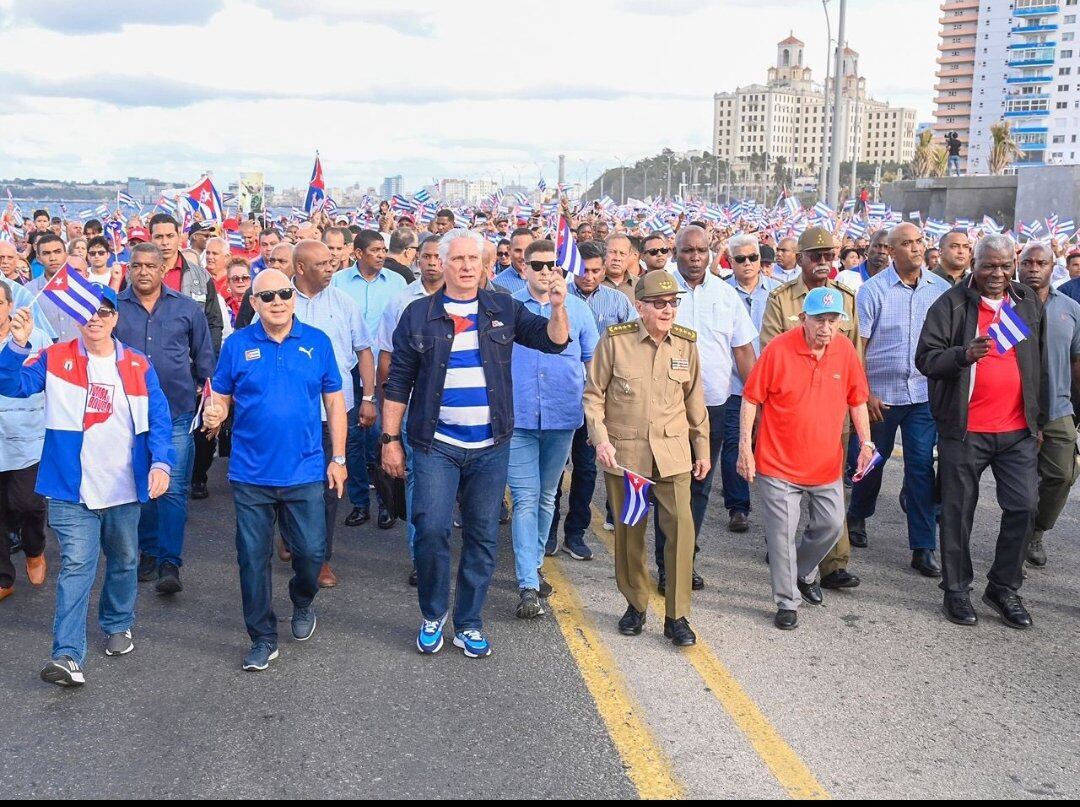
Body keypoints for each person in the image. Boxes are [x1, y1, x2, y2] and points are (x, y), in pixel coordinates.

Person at [382, 228, 570, 658]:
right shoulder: (417, 315)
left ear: (485, 265)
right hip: (435, 443)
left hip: (491, 445)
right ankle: (433, 614)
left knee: (484, 535)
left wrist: (558, 307)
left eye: (474, 259)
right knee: (429, 529)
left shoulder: (503, 306)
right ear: (442, 263)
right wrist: (390, 439)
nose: (467, 266)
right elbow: (398, 383)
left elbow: (553, 341)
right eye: (458, 259)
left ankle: (468, 622)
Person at [0, 290, 173, 687]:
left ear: (115, 319)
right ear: (76, 318)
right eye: (87, 312)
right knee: (77, 566)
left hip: (125, 487)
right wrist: (17, 343)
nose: (95, 318)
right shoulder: (55, 357)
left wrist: (161, 462)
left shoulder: (137, 363)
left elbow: (160, 417)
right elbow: (11, 384)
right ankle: (66, 655)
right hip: (70, 488)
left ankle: (117, 620)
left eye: (104, 311)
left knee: (126, 559)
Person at [203, 268, 347, 672]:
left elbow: (334, 403)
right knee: (251, 557)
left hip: (304, 470)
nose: (278, 301)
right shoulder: (237, 344)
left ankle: (302, 601)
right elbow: (222, 395)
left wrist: (339, 458)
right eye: (267, 297)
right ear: (254, 304)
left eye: (284, 293)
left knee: (312, 552)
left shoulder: (317, 343)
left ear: (294, 297)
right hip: (250, 474)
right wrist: (217, 411)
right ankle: (263, 637)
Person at [915, 234, 1044, 629]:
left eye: (1005, 266)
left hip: (1017, 430)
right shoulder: (950, 303)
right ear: (974, 262)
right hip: (965, 430)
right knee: (957, 512)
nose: (998, 274)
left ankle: (1003, 587)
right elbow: (925, 359)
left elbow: (1039, 360)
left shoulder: (1026, 302)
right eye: (989, 265)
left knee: (1024, 507)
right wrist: (961, 355)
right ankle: (956, 590)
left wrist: (1039, 419)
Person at [583, 270, 709, 646]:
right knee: (630, 534)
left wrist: (702, 449)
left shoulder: (686, 345)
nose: (668, 309)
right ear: (640, 306)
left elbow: (695, 402)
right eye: (659, 304)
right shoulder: (616, 342)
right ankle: (636, 604)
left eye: (673, 303)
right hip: (629, 459)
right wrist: (601, 439)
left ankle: (677, 615)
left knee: (681, 532)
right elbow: (593, 396)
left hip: (672, 456)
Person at [739, 287, 872, 630]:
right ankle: (786, 601)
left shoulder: (844, 350)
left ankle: (804, 571)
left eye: (833, 320)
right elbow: (751, 398)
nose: (826, 327)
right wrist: (744, 449)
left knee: (830, 525)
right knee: (781, 534)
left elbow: (857, 399)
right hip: (777, 464)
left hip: (826, 464)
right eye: (819, 320)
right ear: (803, 319)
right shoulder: (778, 350)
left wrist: (867, 443)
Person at [653, 226, 755, 592]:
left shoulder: (727, 296)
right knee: (667, 489)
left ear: (711, 253)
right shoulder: (659, 291)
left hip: (711, 409)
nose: (695, 257)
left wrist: (757, 402)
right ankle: (666, 564)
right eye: (687, 251)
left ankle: (684, 560)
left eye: (701, 251)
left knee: (698, 487)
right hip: (664, 409)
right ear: (674, 252)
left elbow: (743, 351)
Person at [760, 226, 861, 591]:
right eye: (815, 255)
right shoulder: (782, 299)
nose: (823, 262)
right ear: (800, 257)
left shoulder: (846, 299)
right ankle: (789, 557)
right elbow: (772, 353)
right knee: (786, 493)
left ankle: (829, 563)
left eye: (829, 255)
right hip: (791, 412)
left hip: (835, 409)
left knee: (832, 493)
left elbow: (854, 360)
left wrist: (856, 408)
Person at [113, 242, 215, 594]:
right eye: (136, 265)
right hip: (128, 415)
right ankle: (150, 551)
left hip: (175, 412)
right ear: (129, 269)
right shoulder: (113, 309)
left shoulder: (187, 309)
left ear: (162, 269)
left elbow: (204, 359)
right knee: (142, 487)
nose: (143, 271)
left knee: (172, 489)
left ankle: (170, 562)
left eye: (149, 266)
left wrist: (213, 407)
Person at [847, 223, 947, 576]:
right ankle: (857, 515)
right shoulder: (872, 292)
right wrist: (866, 393)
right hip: (881, 397)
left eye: (920, 241)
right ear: (891, 251)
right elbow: (858, 348)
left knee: (920, 468)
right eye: (907, 243)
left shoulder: (940, 289)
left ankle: (923, 545)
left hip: (922, 395)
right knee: (870, 462)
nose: (917, 248)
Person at [506, 240, 599, 619]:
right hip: (519, 418)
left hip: (562, 417)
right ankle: (528, 582)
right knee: (525, 499)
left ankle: (535, 564)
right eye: (538, 265)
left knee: (547, 497)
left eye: (553, 265)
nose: (546, 271)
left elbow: (594, 364)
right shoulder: (509, 307)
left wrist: (598, 421)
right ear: (524, 268)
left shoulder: (577, 309)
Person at [289, 239, 376, 588]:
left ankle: (321, 558)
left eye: (332, 262)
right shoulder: (279, 300)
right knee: (287, 482)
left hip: (332, 413)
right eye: (323, 263)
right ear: (300, 268)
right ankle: (291, 537)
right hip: (288, 414)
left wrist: (368, 396)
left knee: (328, 485)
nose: (331, 268)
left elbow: (364, 351)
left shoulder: (344, 303)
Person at [547, 240, 637, 558]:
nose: (590, 276)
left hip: (599, 399)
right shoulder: (559, 299)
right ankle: (548, 533)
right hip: (563, 393)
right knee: (555, 468)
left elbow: (632, 342)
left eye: (597, 270)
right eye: (584, 270)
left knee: (586, 469)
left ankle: (575, 533)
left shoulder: (618, 301)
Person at [375, 234, 444, 585]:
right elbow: (387, 356)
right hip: (414, 405)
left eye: (437, 256)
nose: (432, 262)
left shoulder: (467, 301)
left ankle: (441, 550)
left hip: (457, 409)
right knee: (418, 481)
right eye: (427, 256)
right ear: (418, 259)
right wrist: (386, 403)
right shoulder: (401, 301)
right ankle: (421, 557)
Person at [331, 230, 407, 529]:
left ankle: (385, 504)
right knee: (352, 440)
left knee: (380, 438)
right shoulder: (338, 282)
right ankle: (359, 503)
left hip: (386, 369)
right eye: (374, 249)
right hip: (349, 370)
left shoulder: (398, 283)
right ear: (358, 253)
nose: (381, 254)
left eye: (383, 249)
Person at [1017, 241, 1080, 568]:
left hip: (1058, 409)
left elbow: (1076, 364)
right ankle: (1014, 534)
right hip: (1013, 411)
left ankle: (1037, 532)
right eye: (1027, 263)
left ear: (1052, 267)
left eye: (1040, 263)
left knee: (1062, 475)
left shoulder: (1070, 308)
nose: (1033, 269)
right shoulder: (1004, 307)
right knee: (1018, 482)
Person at [724, 235, 782, 534]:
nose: (748, 264)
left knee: (773, 444)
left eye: (753, 258)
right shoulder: (721, 291)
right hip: (734, 383)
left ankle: (778, 504)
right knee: (735, 441)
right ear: (729, 261)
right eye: (740, 259)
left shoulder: (778, 293)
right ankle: (738, 507)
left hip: (775, 385)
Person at [0, 280, 50, 602]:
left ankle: (34, 548)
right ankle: (4, 578)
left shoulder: (36, 338)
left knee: (27, 502)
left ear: (9, 305)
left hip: (27, 439)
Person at [148, 213, 223, 354]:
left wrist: (207, 360)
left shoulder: (202, 276)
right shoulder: (134, 276)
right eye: (159, 237)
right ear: (150, 239)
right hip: (147, 362)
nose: (165, 242)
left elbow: (214, 322)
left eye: (170, 236)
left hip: (189, 363)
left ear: (179, 237)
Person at [492, 228, 534, 294]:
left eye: (527, 250)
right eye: (518, 250)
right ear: (509, 250)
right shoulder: (497, 285)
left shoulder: (547, 279)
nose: (523, 256)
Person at [603, 233, 636, 301]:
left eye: (622, 253)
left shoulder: (639, 285)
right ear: (604, 253)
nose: (617, 258)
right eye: (612, 252)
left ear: (629, 256)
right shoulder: (592, 283)